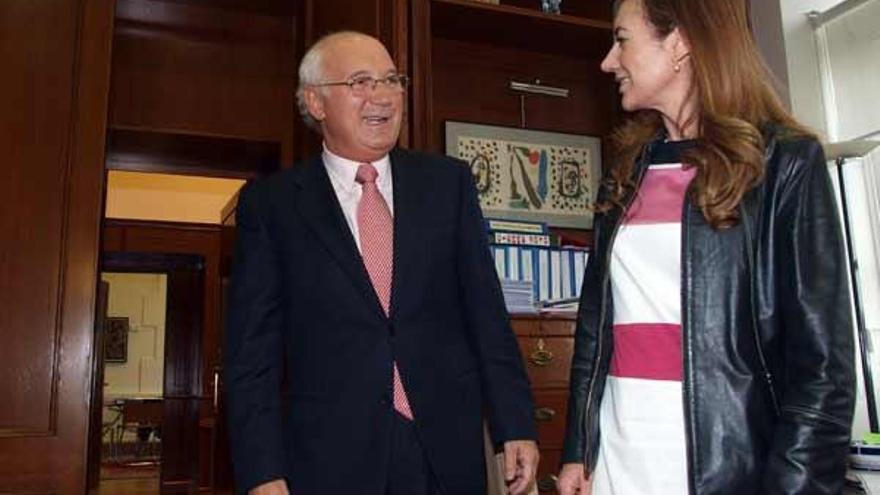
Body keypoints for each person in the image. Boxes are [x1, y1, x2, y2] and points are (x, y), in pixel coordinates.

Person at [556, 1, 855, 494]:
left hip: (728, 470)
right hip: (618, 462)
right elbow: (595, 327)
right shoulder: (624, 175)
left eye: (622, 39)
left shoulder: (785, 165)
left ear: (679, 43)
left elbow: (823, 371)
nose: (608, 61)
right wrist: (578, 451)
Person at [224, 31, 539, 495]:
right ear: (316, 102)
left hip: (444, 446)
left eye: (392, 80)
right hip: (329, 457)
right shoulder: (272, 207)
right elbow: (253, 354)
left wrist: (515, 423)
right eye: (360, 82)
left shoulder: (447, 185)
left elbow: (487, 316)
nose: (383, 96)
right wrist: (261, 470)